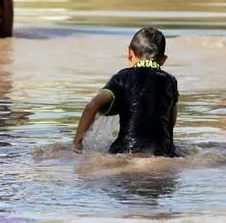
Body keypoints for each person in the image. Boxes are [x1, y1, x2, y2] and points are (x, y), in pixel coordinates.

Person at [73, 27, 179, 157]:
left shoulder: (122, 77)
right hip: (163, 152)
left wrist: (77, 142)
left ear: (130, 53)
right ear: (163, 59)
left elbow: (92, 106)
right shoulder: (170, 81)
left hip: (126, 150)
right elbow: (171, 120)